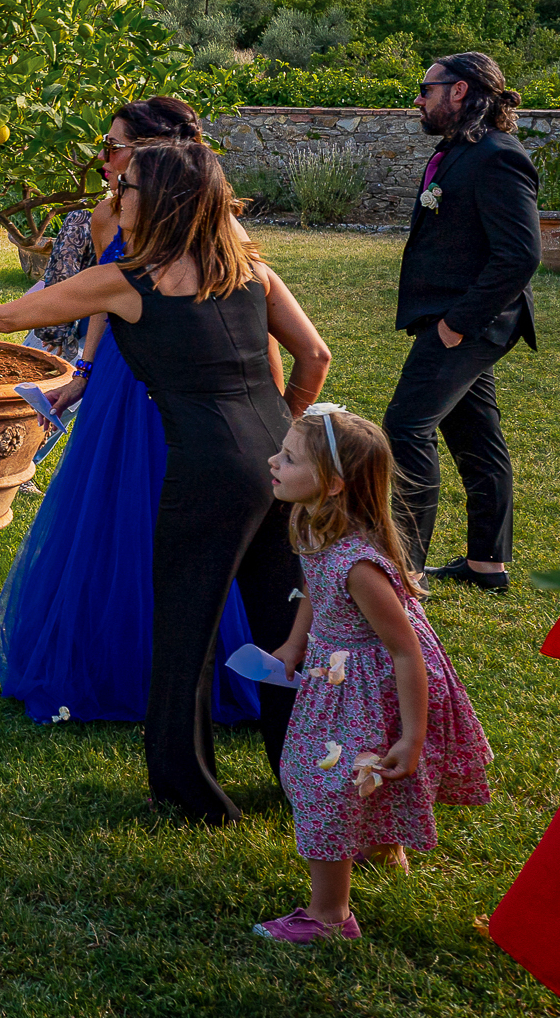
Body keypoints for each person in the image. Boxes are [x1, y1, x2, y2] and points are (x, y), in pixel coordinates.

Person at [0, 140, 331, 824]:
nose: (116, 197)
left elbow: (10, 316)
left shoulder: (133, 282)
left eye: (129, 186)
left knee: (184, 635)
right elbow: (313, 355)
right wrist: (281, 428)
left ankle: (190, 793)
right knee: (282, 623)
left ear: (162, 201)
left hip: (206, 472)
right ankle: (306, 777)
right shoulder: (251, 269)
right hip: (278, 468)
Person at [0, 96, 263, 726]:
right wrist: (85, 371)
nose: (107, 160)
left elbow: (247, 314)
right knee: (110, 511)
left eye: (116, 148)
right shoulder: (104, 214)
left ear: (155, 152)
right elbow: (101, 295)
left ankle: (200, 664)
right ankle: (107, 655)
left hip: (184, 383)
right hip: (122, 367)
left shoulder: (215, 216)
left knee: (175, 515)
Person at [257, 403, 491, 942]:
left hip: (373, 680)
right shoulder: (309, 519)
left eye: (289, 457)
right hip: (336, 671)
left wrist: (412, 737)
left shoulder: (358, 565)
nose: (274, 460)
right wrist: (295, 643)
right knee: (348, 775)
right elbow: (313, 591)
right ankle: (383, 847)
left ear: (333, 484)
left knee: (320, 782)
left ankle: (328, 917)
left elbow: (406, 653)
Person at [387, 52, 539, 593]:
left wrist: (457, 323)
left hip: (470, 323)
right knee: (478, 437)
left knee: (405, 428)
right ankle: (486, 564)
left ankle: (404, 568)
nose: (418, 98)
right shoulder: (462, 152)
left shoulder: (497, 156)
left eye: (426, 88)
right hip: (452, 319)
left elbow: (521, 255)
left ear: (460, 91)